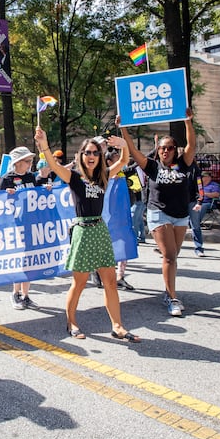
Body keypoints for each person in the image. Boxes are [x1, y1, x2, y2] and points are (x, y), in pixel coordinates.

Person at [34, 126, 140, 343]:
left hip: (100, 230)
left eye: (95, 153)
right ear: (81, 156)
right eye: (87, 153)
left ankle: (117, 326)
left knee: (110, 282)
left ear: (99, 156)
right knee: (79, 283)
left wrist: (123, 147)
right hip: (82, 231)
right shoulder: (73, 177)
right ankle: (71, 321)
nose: (91, 156)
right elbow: (53, 164)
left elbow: (123, 162)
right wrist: (44, 144)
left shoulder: (104, 176)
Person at [120, 110, 196, 317]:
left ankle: (167, 291)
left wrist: (188, 122)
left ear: (175, 150)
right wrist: (123, 129)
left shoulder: (184, 163)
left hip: (180, 215)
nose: (165, 151)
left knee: (173, 256)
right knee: (170, 256)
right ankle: (172, 298)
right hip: (158, 212)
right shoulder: (152, 166)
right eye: (162, 148)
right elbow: (134, 152)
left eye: (169, 148)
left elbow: (192, 146)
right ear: (158, 150)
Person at [0, 146, 47, 310]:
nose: (30, 163)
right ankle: (15, 293)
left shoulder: (30, 177)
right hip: (15, 226)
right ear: (18, 162)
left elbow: (36, 198)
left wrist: (45, 190)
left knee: (30, 261)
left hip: (31, 224)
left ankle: (26, 295)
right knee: (19, 261)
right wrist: (6, 195)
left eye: (31, 160)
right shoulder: (6, 179)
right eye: (27, 160)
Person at [104, 149, 135, 291]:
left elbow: (138, 164)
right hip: (109, 220)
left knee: (124, 246)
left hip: (122, 218)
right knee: (109, 247)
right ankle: (103, 274)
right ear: (109, 162)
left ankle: (120, 277)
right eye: (117, 158)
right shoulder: (104, 178)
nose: (121, 161)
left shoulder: (124, 174)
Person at [187, 162, 206, 257]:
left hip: (192, 201)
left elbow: (199, 186)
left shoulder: (194, 168)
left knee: (195, 225)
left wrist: (199, 201)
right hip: (178, 201)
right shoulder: (175, 166)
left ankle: (199, 247)